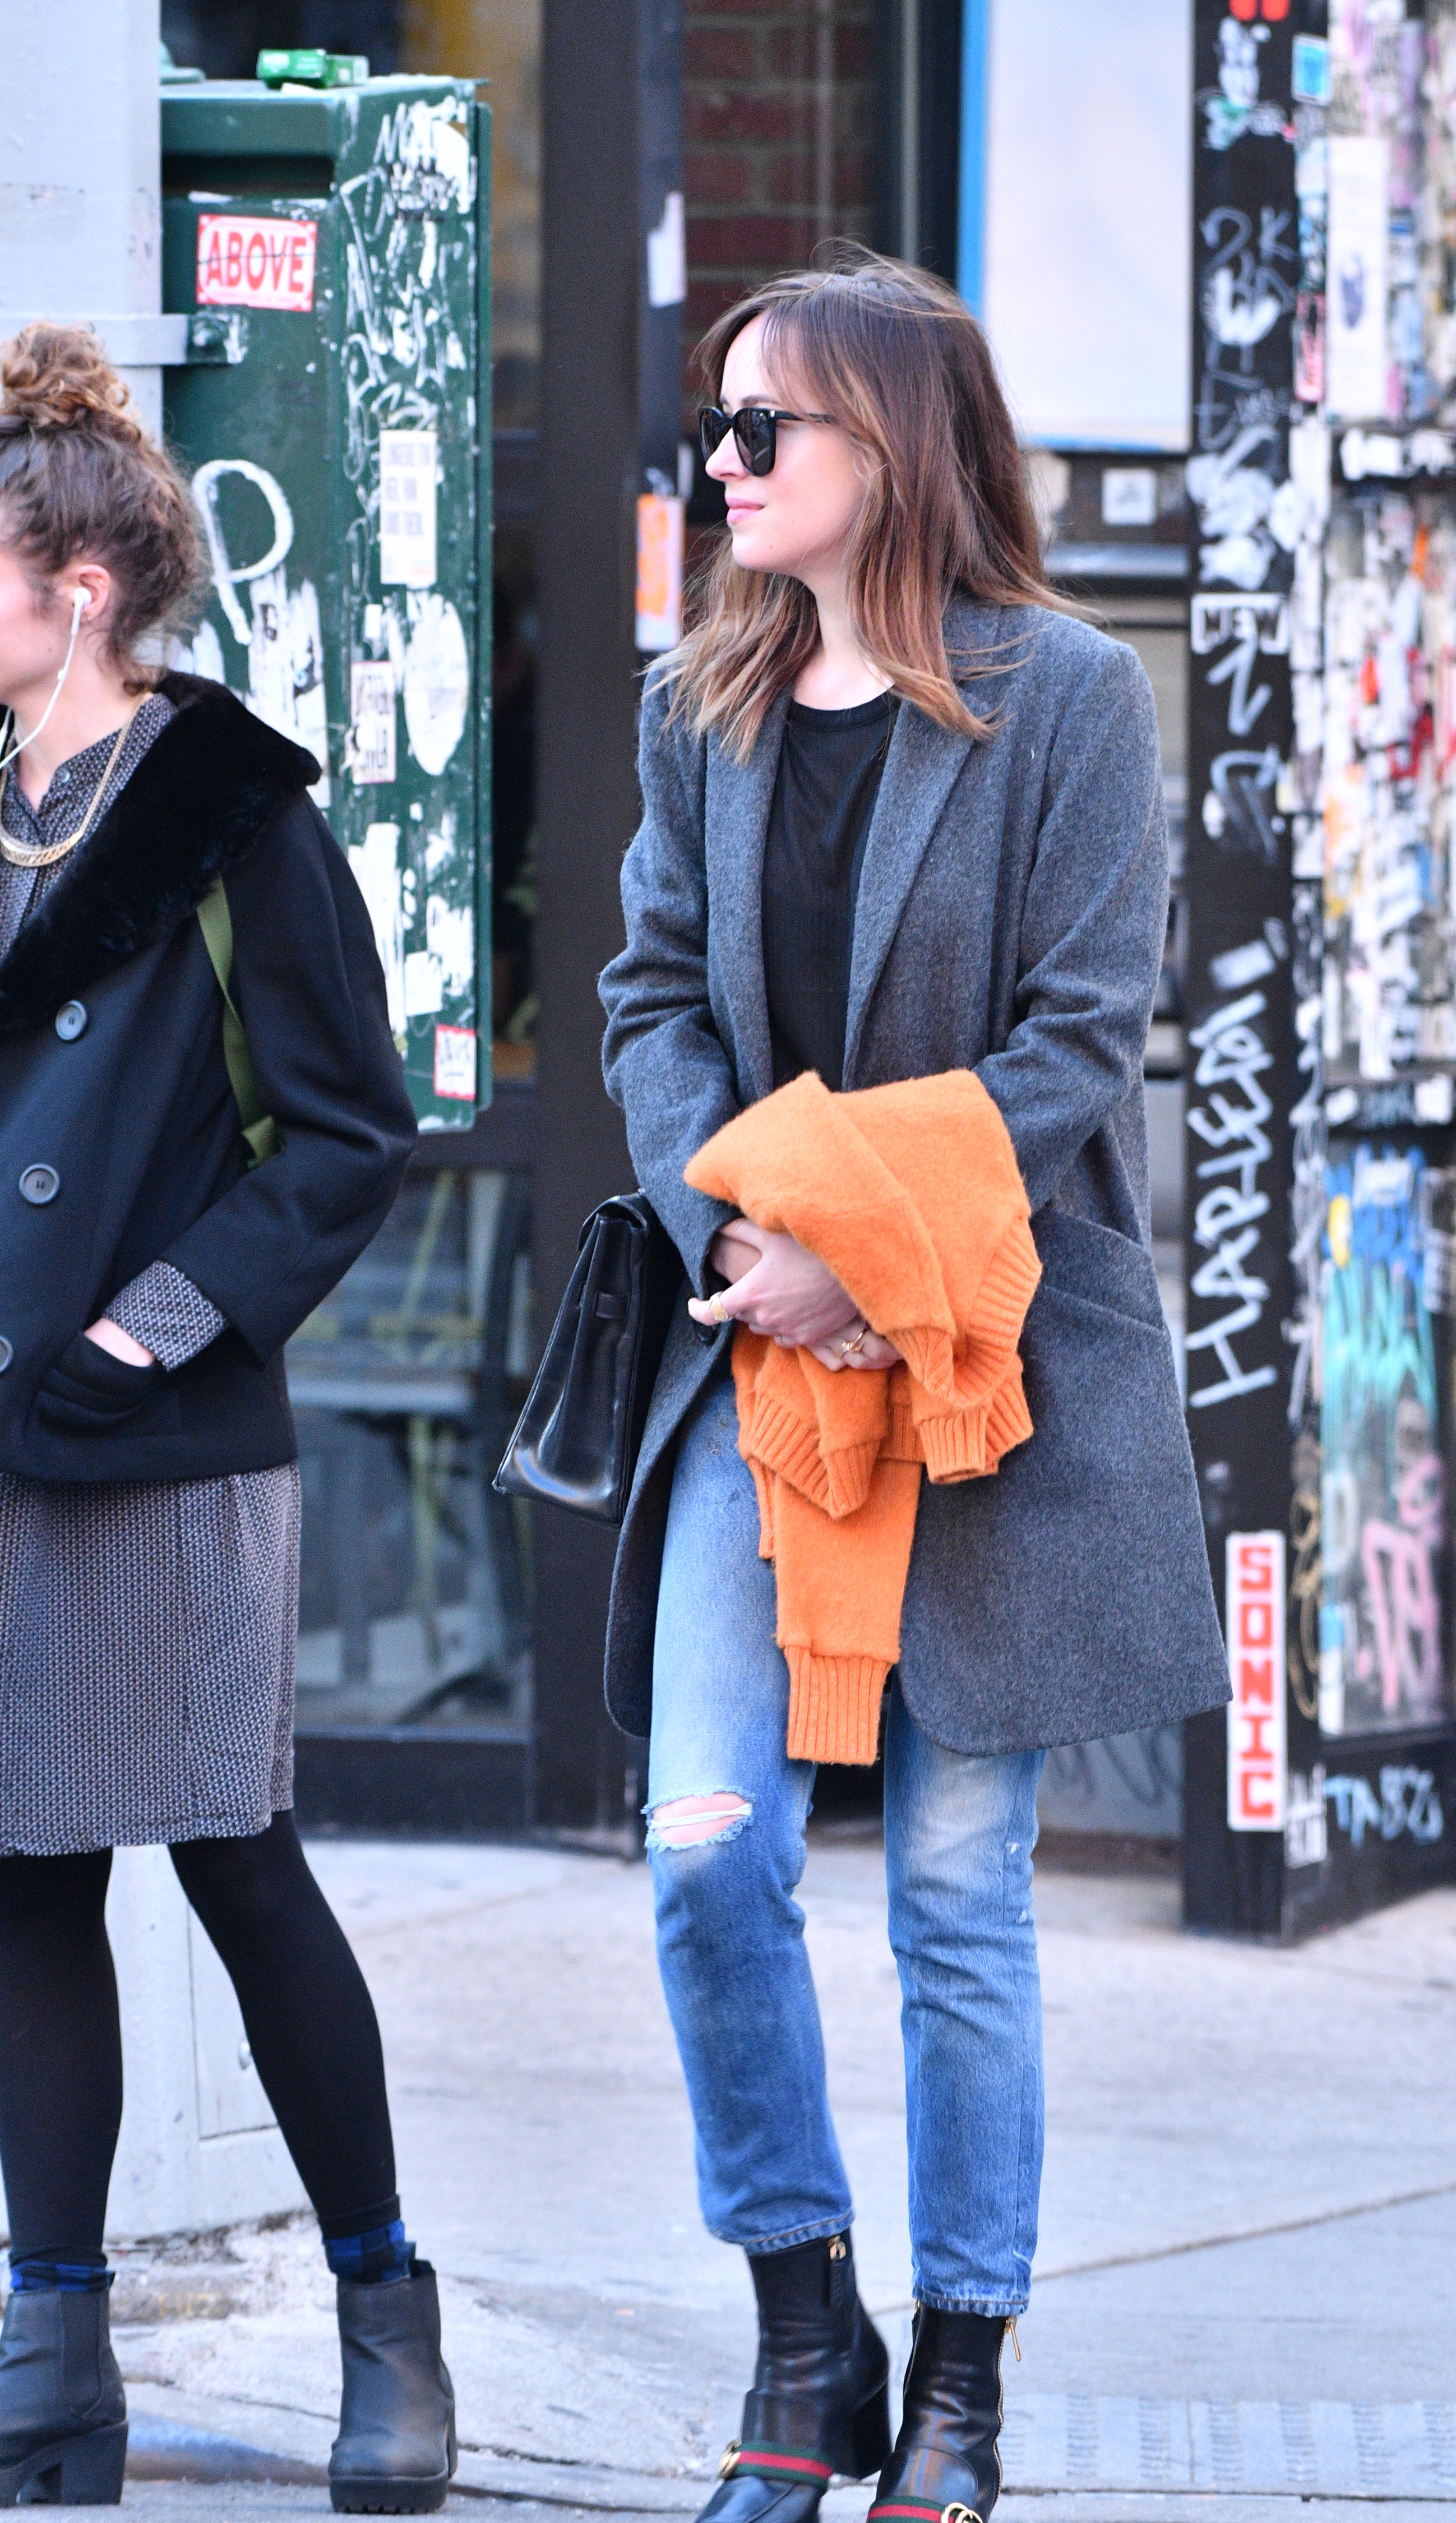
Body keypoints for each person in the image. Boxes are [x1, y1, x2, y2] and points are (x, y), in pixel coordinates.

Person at [598, 253, 1228, 2523]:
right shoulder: (704, 702)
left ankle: (959, 2378)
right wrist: (744, 1242)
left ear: (891, 446)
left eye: (764, 427)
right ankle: (807, 2327)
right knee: (706, 1856)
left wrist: (860, 1254)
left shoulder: (1067, 701)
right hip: (758, 1363)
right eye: (717, 423)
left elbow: (1081, 1040)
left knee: (959, 1899)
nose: (723, 463)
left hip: (987, 1375)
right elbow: (649, 997)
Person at [0, 325, 454, 2515]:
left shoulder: (229, 814)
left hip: (159, 1437)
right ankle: (52, 2350)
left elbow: (352, 1132)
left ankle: (387, 2314)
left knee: (237, 1866)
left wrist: (148, 1330)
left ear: (77, 587)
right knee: (18, 1883)